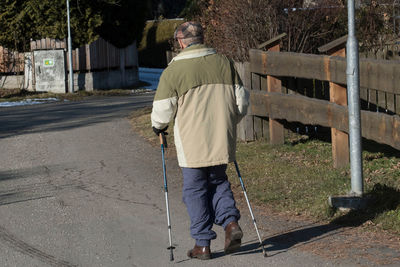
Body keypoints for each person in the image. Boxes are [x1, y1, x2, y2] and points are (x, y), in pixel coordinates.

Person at [151, 21, 249, 260]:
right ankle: (230, 224)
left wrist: (158, 127)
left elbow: (163, 110)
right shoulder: (224, 63)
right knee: (218, 182)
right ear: (202, 39)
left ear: (181, 42)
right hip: (220, 138)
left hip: (191, 142)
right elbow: (241, 102)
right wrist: (229, 122)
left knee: (195, 190)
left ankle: (202, 244)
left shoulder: (174, 70)